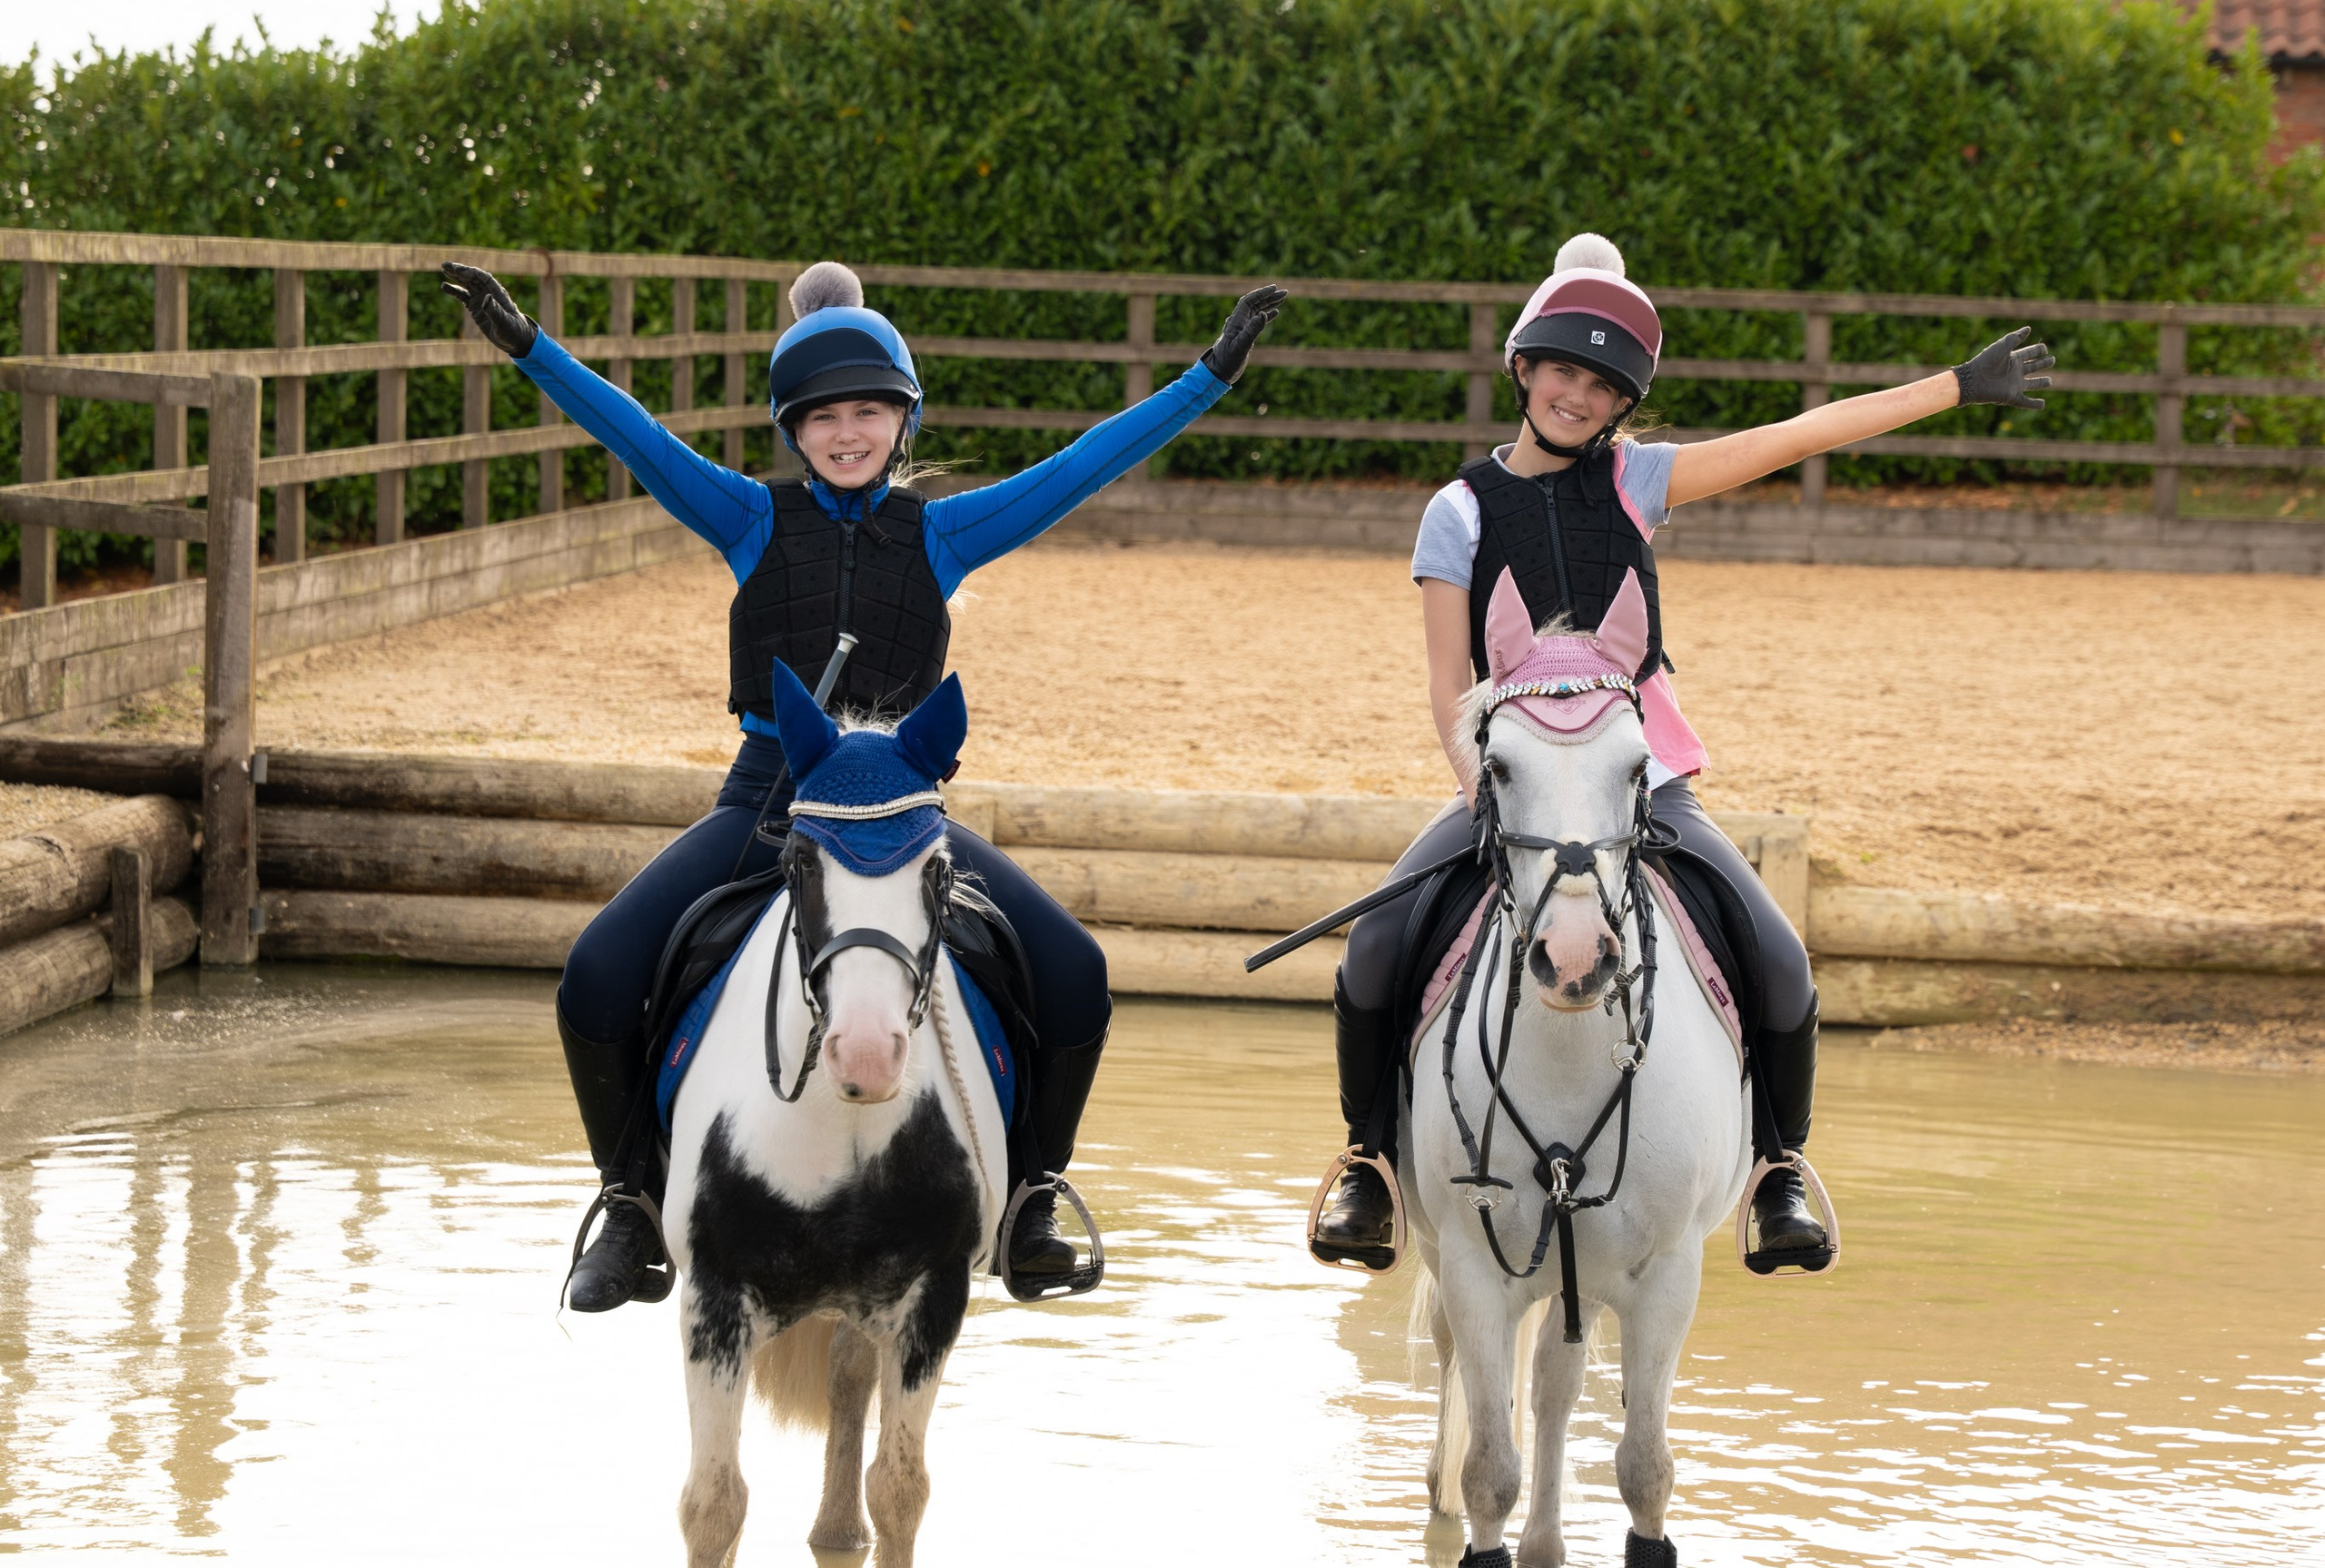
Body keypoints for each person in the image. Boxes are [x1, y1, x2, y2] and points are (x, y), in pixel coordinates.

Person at [439, 255, 1287, 1309]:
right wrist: (529, 349)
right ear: (792, 431)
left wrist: (1208, 376)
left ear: (904, 419)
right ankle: (630, 1204)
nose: (849, 433)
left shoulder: (944, 533)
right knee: (598, 971)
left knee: (1072, 971)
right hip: (769, 802)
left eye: (871, 411)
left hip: (898, 816)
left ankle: (1030, 1198)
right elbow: (635, 435)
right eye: (824, 416)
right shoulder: (748, 519)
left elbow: (1083, 465)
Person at [1309, 234, 2053, 1275]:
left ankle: (1778, 1169)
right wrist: (1482, 794)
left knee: (1780, 962)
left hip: (1642, 787)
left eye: (1602, 385)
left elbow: (1799, 433)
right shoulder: (1459, 511)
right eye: (1563, 371)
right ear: (1522, 370)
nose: (1577, 395)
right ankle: (1369, 1165)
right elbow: (1446, 683)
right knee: (1374, 954)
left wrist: (1952, 389)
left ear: (1622, 406)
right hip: (1514, 792)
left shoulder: (1641, 482)